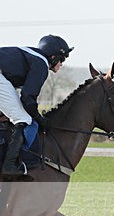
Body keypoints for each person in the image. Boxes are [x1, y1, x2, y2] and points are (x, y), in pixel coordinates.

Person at [0, 34, 73, 177]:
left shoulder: (32, 56)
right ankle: (9, 166)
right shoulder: (41, 64)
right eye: (62, 59)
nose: (62, 64)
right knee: (23, 119)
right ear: (53, 57)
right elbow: (28, 98)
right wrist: (40, 119)